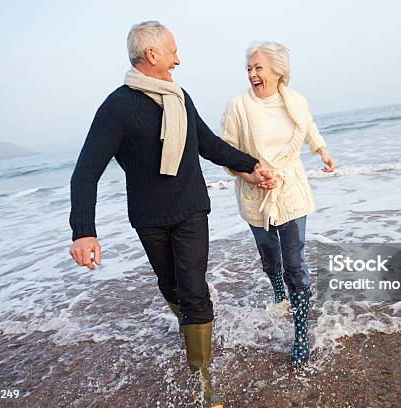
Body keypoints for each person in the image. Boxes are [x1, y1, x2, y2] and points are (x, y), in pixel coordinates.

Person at [68, 21, 274, 407]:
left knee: (194, 289)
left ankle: (202, 378)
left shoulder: (180, 97)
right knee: (171, 287)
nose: (178, 59)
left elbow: (208, 144)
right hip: (149, 217)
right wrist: (83, 231)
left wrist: (250, 165)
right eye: (172, 52)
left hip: (191, 209)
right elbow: (86, 171)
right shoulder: (117, 108)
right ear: (152, 55)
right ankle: (194, 330)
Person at [220, 41, 336, 364]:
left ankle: (300, 332)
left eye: (258, 68)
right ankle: (276, 288)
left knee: (295, 262)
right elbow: (226, 154)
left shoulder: (295, 101)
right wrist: (251, 174)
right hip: (255, 194)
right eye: (249, 69)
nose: (252, 75)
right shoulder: (237, 108)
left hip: (290, 190)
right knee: (271, 259)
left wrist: (322, 151)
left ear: (278, 72)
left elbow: (307, 126)